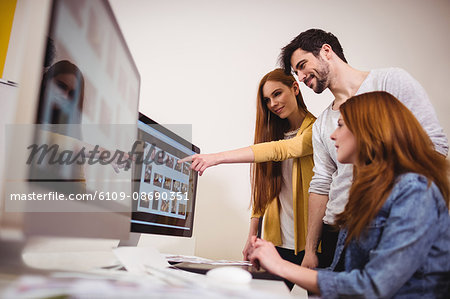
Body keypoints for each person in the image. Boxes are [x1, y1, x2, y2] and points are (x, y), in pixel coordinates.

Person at [248, 91, 450, 298]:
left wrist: (281, 266)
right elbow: (343, 273)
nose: (333, 135)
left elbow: (373, 286)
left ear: (371, 131)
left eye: (341, 125)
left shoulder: (414, 192)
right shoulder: (369, 192)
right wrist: (276, 264)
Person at [279, 28, 449, 270]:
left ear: (326, 51)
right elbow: (321, 184)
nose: (301, 77)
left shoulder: (390, 82)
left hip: (382, 224)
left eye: (302, 65)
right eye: (297, 73)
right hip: (335, 230)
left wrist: (396, 207)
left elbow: (435, 145)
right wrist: (310, 250)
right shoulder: (321, 125)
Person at [179, 69, 315, 289]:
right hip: (277, 243)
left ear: (295, 88)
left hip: (313, 245)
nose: (273, 103)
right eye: (267, 100)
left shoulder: (315, 131)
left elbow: (283, 150)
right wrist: (251, 234)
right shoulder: (272, 135)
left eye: (278, 93)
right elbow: (263, 189)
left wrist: (217, 158)